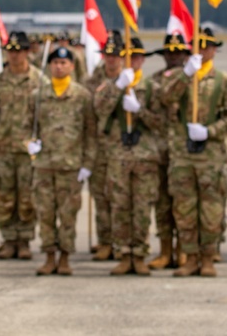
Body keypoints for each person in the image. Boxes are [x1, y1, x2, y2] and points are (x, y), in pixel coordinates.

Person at [159, 27, 227, 277]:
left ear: (214, 50)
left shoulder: (224, 81)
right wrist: (186, 74)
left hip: (210, 155)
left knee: (211, 210)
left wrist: (210, 131)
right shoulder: (179, 76)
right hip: (182, 154)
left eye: (208, 46)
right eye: (199, 45)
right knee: (184, 209)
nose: (203, 50)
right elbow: (165, 97)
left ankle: (207, 257)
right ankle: (190, 257)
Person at [28, 46, 96, 276]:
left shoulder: (82, 96)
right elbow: (27, 127)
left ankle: (65, 257)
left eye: (64, 63)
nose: (59, 66)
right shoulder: (37, 96)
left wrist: (88, 163)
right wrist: (29, 146)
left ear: (72, 67)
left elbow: (90, 132)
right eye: (55, 62)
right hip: (44, 165)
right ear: (49, 66)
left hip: (70, 165)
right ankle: (49, 256)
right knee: (45, 213)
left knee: (68, 214)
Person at [93, 37, 158, 275]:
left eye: (138, 57)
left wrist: (140, 111)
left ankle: (139, 254)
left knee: (141, 208)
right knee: (120, 207)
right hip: (118, 155)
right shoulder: (111, 85)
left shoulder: (152, 87)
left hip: (144, 158)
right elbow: (98, 109)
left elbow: (163, 123)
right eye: (130, 56)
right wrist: (118, 87)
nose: (135, 61)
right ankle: (124, 253)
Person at [0, 31, 45, 260]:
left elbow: (47, 115)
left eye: (19, 51)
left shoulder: (39, 81)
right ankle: (8, 239)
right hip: (4, 148)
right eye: (11, 51)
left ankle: (24, 239)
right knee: (5, 197)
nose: (15, 56)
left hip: (29, 151)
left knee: (27, 197)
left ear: (27, 52)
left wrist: (44, 145)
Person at [145, 32, 190, 270]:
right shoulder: (154, 81)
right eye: (170, 53)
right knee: (162, 204)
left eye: (178, 52)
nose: (174, 57)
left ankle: (184, 250)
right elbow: (156, 108)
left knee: (182, 204)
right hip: (160, 151)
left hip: (184, 152)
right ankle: (165, 251)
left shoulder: (194, 79)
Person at [85, 29, 126, 261]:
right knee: (101, 197)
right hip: (99, 148)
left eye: (116, 55)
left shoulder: (131, 78)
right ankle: (104, 241)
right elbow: (96, 109)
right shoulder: (93, 81)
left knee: (120, 199)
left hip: (123, 148)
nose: (112, 59)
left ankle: (121, 243)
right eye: (108, 55)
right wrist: (116, 87)